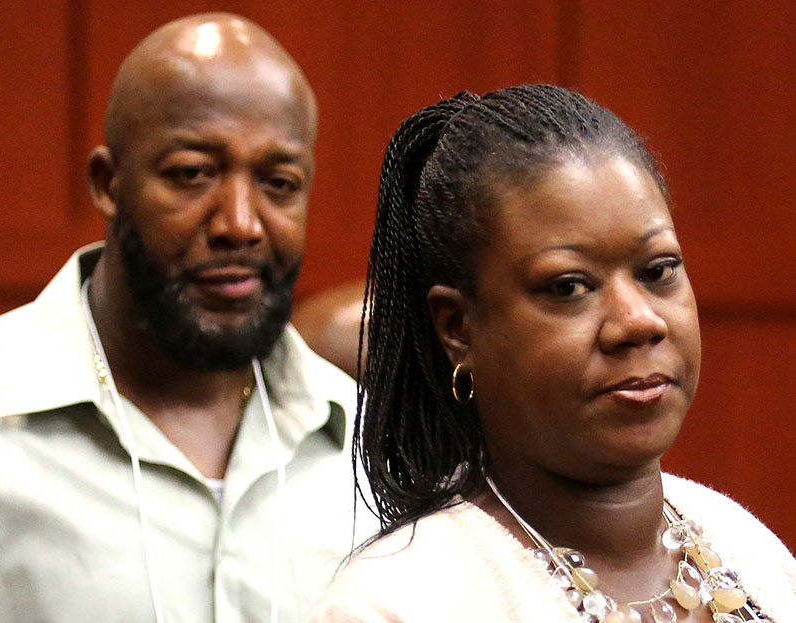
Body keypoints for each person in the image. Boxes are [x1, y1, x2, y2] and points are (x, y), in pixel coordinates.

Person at [310, 85, 796, 623]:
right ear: (459, 328)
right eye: (569, 287)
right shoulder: (397, 602)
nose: (639, 321)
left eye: (658, 272)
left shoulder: (749, 551)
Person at [0, 13, 366, 623]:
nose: (240, 223)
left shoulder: (371, 455)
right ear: (108, 184)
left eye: (279, 183)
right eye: (192, 175)